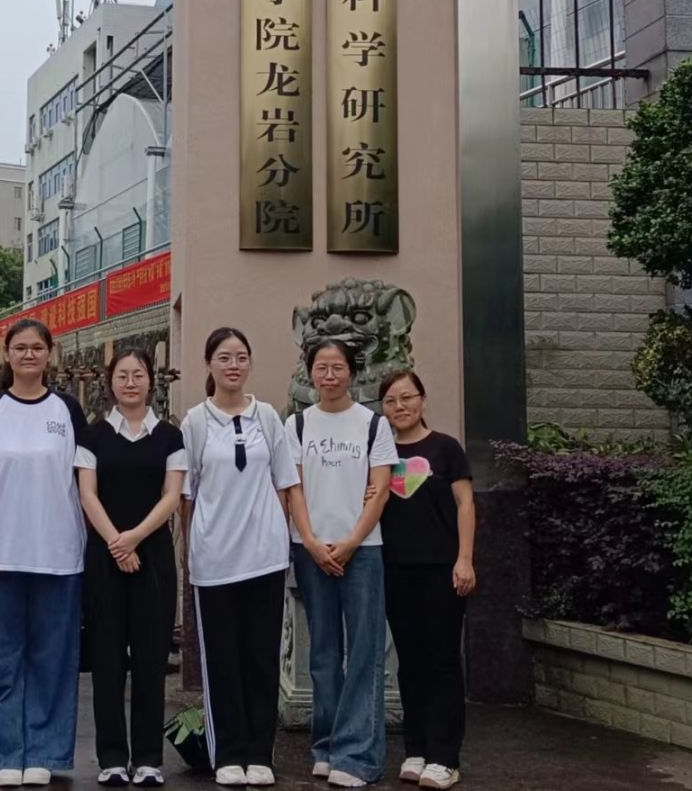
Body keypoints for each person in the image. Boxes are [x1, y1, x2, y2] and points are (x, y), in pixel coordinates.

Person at [0, 318, 93, 787]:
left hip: (58, 552)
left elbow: (85, 480)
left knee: (52, 659)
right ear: (6, 354)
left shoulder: (68, 410)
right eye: (20, 347)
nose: (29, 355)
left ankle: (44, 752)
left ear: (50, 354)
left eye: (38, 347)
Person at [179, 327, 304, 788]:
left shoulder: (267, 417)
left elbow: (286, 484)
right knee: (222, 660)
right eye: (224, 357)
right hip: (214, 557)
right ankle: (228, 752)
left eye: (241, 357)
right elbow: (186, 495)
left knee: (260, 656)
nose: (233, 365)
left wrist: (290, 539)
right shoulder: (196, 422)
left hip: (265, 555)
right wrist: (188, 549)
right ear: (208, 364)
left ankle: (259, 752)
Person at [287, 341, 397, 787]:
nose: (329, 375)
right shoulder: (296, 424)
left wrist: (352, 542)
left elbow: (381, 489)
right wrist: (312, 542)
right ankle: (326, 745)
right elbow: (292, 487)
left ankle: (358, 756)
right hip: (310, 548)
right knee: (324, 651)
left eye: (337, 367)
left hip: (363, 550)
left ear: (352, 372)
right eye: (321, 367)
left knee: (365, 651)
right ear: (310, 372)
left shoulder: (373, 424)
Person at [75, 347, 186, 787]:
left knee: (150, 659)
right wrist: (117, 544)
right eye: (122, 375)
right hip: (104, 558)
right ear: (111, 382)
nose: (130, 382)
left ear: (150, 381)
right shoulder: (94, 435)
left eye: (138, 374)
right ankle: (112, 758)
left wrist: (134, 538)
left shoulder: (170, 436)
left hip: (152, 556)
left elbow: (171, 496)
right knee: (106, 660)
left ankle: (148, 758)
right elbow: (87, 494)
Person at [376, 371, 475, 791]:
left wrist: (465, 559)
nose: (400, 406)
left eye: (407, 397)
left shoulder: (446, 448)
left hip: (441, 569)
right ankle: (415, 749)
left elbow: (465, 503)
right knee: (410, 661)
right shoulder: (379, 452)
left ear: (422, 399)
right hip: (395, 570)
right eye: (391, 400)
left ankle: (444, 756)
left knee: (442, 660)